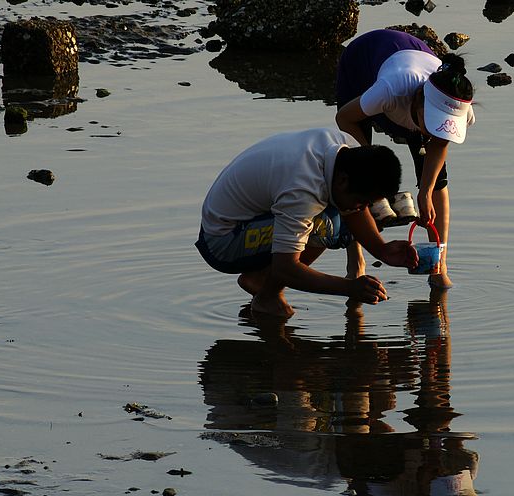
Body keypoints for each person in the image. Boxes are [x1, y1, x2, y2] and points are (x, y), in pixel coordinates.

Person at [195, 126, 418, 318]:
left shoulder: (344, 146)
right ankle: (266, 295)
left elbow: (352, 210)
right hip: (224, 240)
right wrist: (350, 288)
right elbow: (286, 268)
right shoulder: (302, 190)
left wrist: (381, 250)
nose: (361, 209)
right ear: (342, 181)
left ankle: (260, 280)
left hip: (249, 219)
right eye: (361, 202)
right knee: (330, 226)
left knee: (339, 219)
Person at [335, 28, 476, 289]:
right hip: (362, 64)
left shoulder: (460, 108)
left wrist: (426, 190)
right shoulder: (391, 90)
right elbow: (344, 118)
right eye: (431, 123)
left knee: (438, 184)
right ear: (420, 103)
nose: (432, 132)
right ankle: (356, 264)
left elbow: (440, 142)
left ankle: (439, 265)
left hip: (411, 59)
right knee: (357, 180)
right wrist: (371, 163)